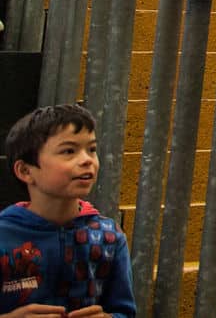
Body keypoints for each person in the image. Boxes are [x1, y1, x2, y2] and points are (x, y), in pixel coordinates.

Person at [2, 103, 137, 316]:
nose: (86, 160)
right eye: (68, 151)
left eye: (92, 149)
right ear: (26, 171)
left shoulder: (109, 236)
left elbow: (124, 311)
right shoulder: (4, 235)